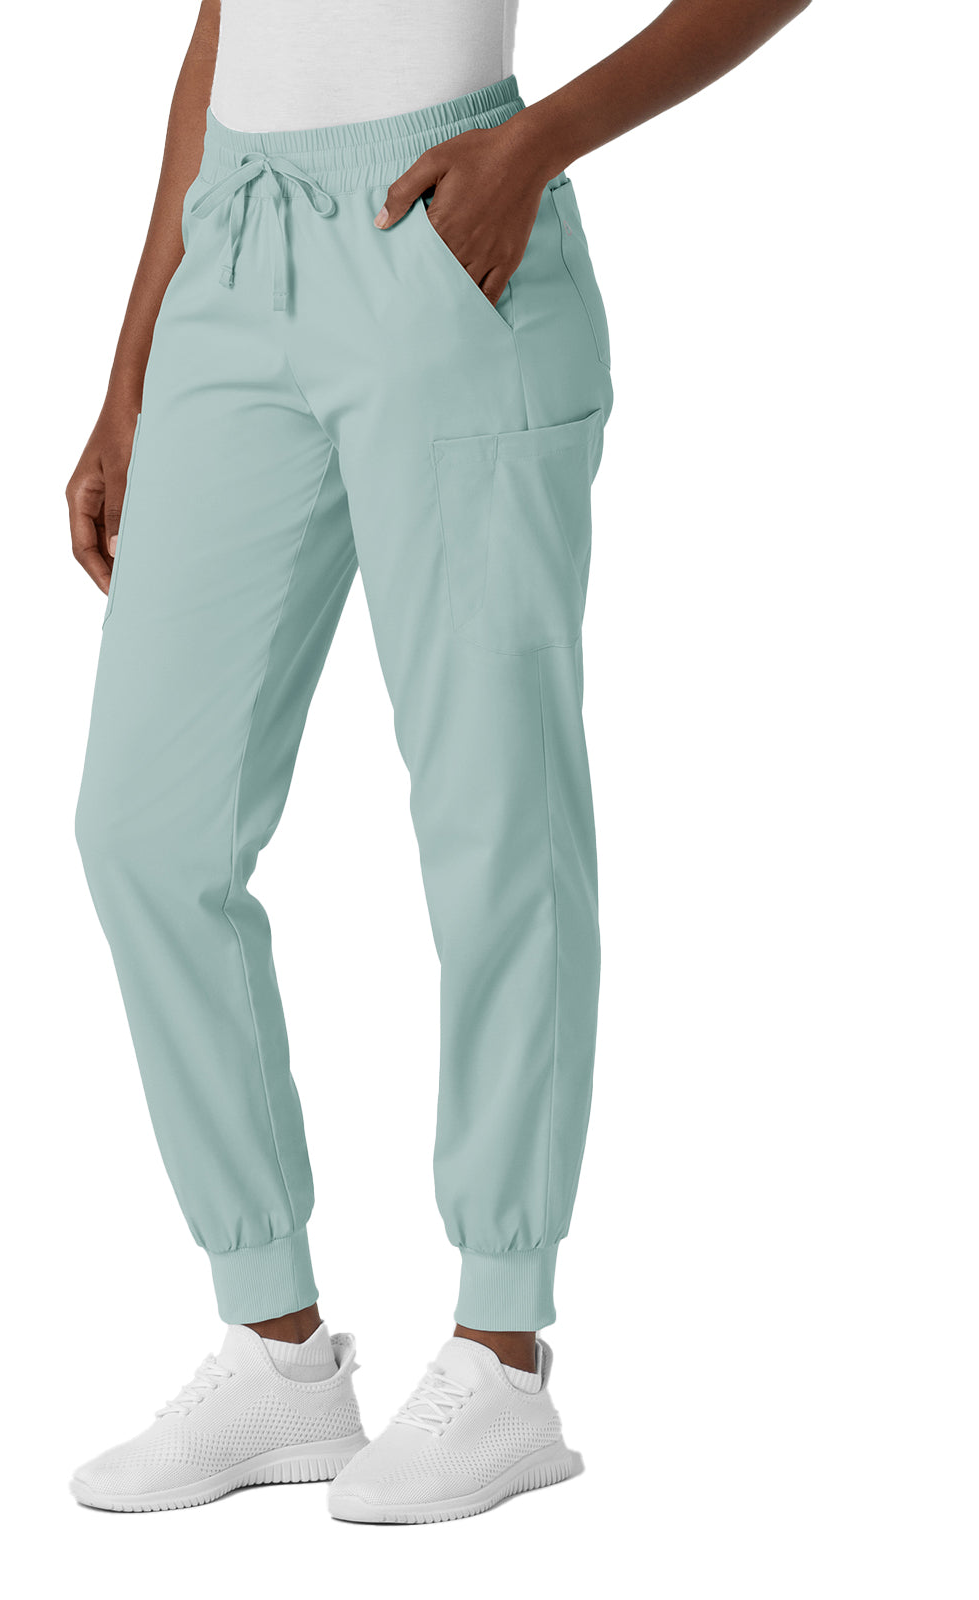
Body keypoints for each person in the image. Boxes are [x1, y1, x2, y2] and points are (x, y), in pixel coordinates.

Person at [66, 0, 810, 1524]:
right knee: (144, 824)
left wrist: (535, 150)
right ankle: (277, 1347)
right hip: (235, 249)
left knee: (495, 818)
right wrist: (134, 355)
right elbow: (225, 25)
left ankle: (503, 1350)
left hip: (445, 228)